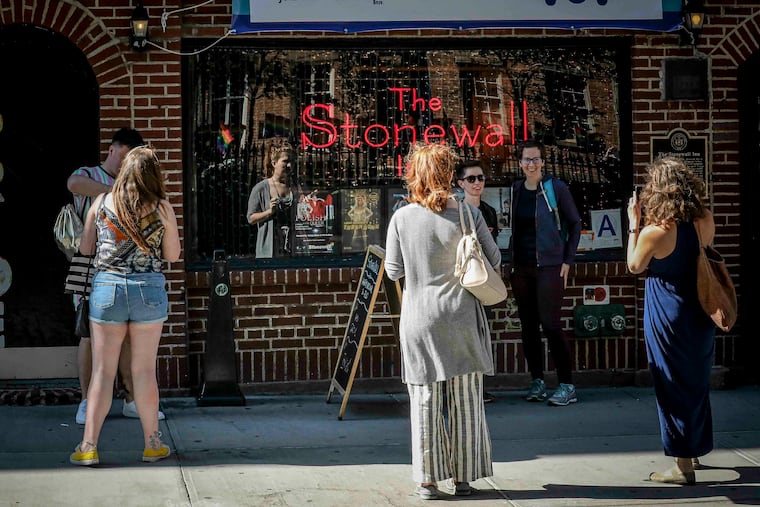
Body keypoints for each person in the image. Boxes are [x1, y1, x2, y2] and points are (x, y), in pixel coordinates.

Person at [385, 143, 498, 500]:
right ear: (450, 175)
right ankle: (464, 478)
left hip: (419, 318)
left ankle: (427, 481)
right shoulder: (467, 213)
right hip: (461, 315)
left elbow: (392, 271)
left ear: (414, 175)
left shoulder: (401, 218)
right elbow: (493, 257)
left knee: (424, 401)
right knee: (465, 401)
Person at [70, 146, 180, 466]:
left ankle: (88, 446)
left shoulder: (101, 202)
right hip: (148, 290)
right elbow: (172, 256)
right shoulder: (161, 207)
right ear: (153, 174)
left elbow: (86, 248)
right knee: (144, 371)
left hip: (107, 290)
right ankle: (152, 443)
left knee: (102, 373)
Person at [626, 157, 716, 485]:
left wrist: (633, 224)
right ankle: (692, 450)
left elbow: (634, 266)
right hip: (702, 310)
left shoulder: (655, 231)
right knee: (695, 383)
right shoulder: (705, 219)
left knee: (671, 384)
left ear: (657, 190)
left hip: (668, 313)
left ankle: (682, 466)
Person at [66, 127, 165, 424]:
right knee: (87, 334)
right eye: (127, 156)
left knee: (128, 338)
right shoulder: (90, 174)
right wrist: (118, 194)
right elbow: (73, 183)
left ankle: (132, 398)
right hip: (89, 264)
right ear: (116, 150)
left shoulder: (138, 184)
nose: (128, 163)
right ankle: (87, 401)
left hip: (126, 270)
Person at [508, 140, 581, 406]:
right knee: (528, 327)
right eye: (527, 160)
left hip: (550, 266)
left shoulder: (555, 188)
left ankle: (567, 385)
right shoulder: (516, 189)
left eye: (536, 159)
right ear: (520, 163)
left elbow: (575, 223)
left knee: (551, 325)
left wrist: (567, 260)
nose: (532, 164)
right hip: (522, 268)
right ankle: (537, 380)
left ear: (543, 162)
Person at [456, 160, 499, 403]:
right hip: (462, 279)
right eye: (471, 179)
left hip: (483, 279)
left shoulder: (488, 211)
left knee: (482, 334)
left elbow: (494, 250)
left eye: (480, 178)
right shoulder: (455, 211)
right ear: (460, 183)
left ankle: (478, 387)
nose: (477, 183)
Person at [246, 138, 296, 258]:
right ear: (274, 163)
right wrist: (269, 212)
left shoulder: (295, 187)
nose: (289, 165)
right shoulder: (261, 188)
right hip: (269, 249)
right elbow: (250, 218)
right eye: (285, 161)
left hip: (292, 248)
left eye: (292, 162)